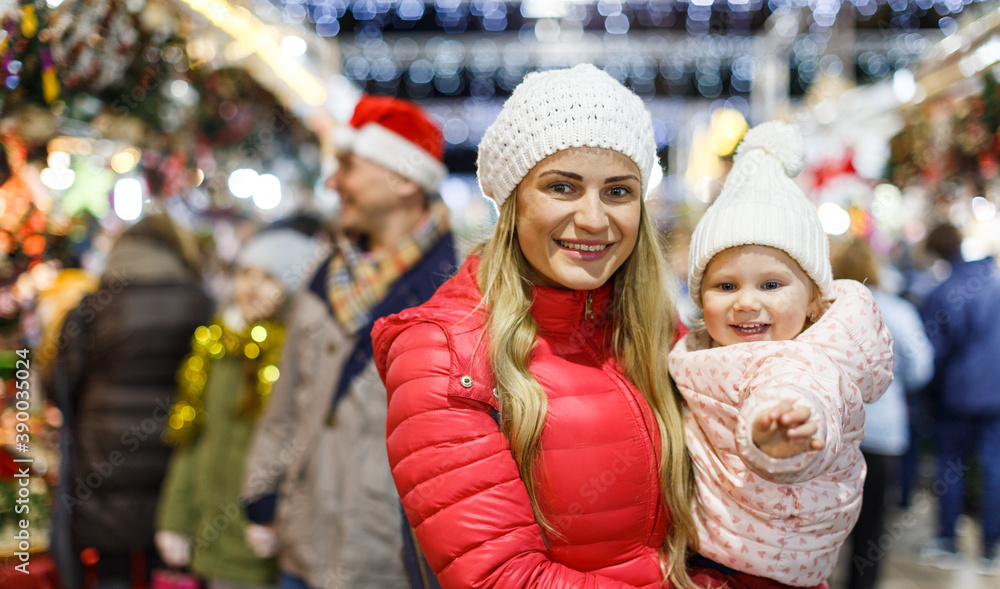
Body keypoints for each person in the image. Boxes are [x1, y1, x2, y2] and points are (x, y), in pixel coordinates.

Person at [373, 64, 711, 589]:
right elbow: (501, 578)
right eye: (562, 187)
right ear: (512, 200)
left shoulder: (652, 329)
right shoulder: (444, 354)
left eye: (618, 192)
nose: (594, 219)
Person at [240, 94, 458, 589]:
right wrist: (261, 491)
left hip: (393, 564)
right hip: (302, 549)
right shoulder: (322, 275)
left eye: (347, 167)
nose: (332, 182)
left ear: (404, 179)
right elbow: (287, 398)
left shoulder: (461, 289)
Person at [667, 122, 894, 588]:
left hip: (755, 569)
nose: (746, 302)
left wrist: (780, 437)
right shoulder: (702, 349)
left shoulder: (798, 363)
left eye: (771, 284)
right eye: (725, 285)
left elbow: (798, 400)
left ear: (814, 301)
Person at [51, 213, 214, 589]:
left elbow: (63, 384)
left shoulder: (92, 307)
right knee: (170, 570)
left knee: (113, 571)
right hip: (174, 462)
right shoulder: (200, 303)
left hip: (104, 462)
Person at [155, 229, 318, 589]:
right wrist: (175, 519)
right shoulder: (218, 346)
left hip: (266, 542)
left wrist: (285, 522)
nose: (253, 286)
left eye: (269, 277)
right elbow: (193, 441)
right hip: (212, 537)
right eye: (246, 273)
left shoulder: (302, 357)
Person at [830, 238, 933, 589]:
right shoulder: (898, 312)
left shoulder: (823, 309)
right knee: (872, 523)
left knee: (819, 520)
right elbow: (921, 368)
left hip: (831, 431)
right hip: (883, 433)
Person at [917, 223, 1000, 575]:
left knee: (951, 467)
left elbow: (933, 352)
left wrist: (928, 395)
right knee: (994, 466)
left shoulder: (945, 291)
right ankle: (990, 547)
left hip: (958, 394)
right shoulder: (995, 283)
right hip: (995, 394)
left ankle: (947, 539)